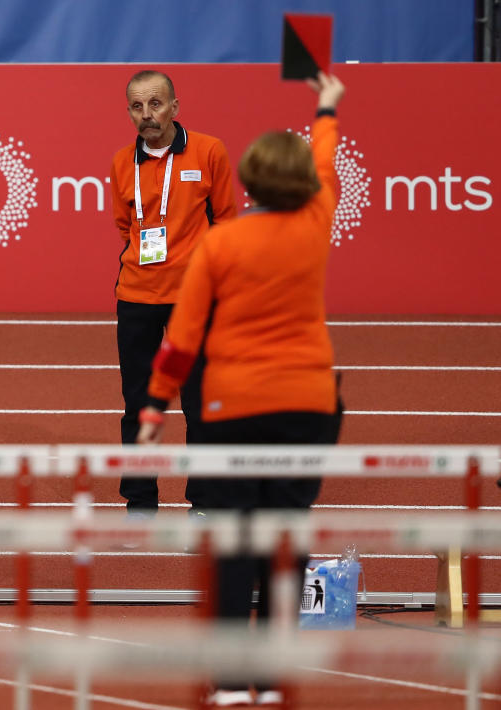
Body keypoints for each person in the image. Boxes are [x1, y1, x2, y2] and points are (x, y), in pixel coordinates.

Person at [137, 72, 346, 707]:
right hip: (308, 406)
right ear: (304, 185)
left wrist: (154, 404)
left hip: (231, 409)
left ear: (247, 184)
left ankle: (229, 683)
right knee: (286, 539)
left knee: (231, 542)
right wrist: (327, 107)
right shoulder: (318, 221)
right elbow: (329, 159)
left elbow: (184, 336)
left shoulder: (222, 242)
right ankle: (277, 680)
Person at [110, 70, 237, 516]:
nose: (148, 115)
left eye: (156, 104)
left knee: (200, 402)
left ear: (175, 107)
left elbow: (225, 219)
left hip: (195, 301)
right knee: (139, 404)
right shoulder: (122, 161)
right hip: (137, 296)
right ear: (129, 112)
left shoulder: (209, 151)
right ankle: (140, 502)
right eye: (138, 107)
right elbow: (125, 225)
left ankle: (203, 503)